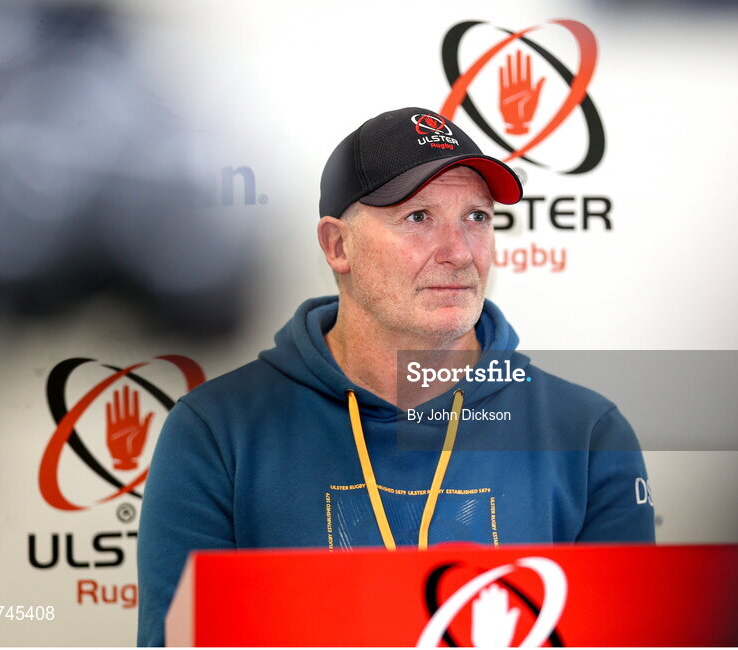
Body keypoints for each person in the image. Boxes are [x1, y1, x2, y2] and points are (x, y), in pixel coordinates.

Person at [136, 107, 654, 646]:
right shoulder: (217, 432)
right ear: (338, 247)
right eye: (419, 217)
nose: (458, 253)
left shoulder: (587, 433)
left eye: (477, 217)